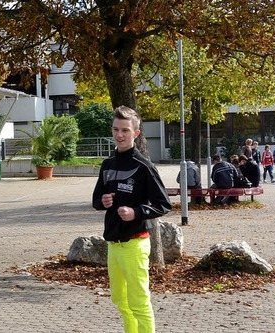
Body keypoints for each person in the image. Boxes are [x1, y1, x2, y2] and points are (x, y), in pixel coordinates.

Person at [92, 106, 171, 333]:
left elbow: (163, 204)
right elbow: (96, 199)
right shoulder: (108, 165)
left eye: (125, 130)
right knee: (120, 300)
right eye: (116, 129)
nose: (119, 135)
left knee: (138, 302)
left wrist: (136, 212)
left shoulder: (144, 166)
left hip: (135, 244)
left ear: (136, 133)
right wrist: (103, 201)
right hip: (113, 244)